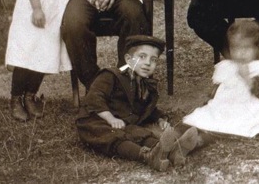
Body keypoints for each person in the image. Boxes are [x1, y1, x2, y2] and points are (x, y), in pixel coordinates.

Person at [76, 35, 204, 172]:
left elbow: (148, 109)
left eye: (153, 60)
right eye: (142, 57)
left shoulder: (144, 86)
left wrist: (160, 119)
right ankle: (147, 156)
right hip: (96, 120)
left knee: (140, 133)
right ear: (128, 59)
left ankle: (170, 152)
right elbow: (95, 98)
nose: (148, 63)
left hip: (124, 123)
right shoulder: (111, 75)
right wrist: (110, 118)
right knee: (111, 135)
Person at [183, 19, 259, 138]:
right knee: (210, 118)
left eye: (246, 48)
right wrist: (211, 100)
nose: (240, 54)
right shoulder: (228, 66)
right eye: (235, 48)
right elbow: (216, 90)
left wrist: (247, 78)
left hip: (254, 111)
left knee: (235, 125)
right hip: (229, 108)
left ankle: (199, 140)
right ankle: (185, 139)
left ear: (257, 48)